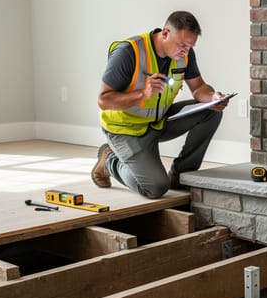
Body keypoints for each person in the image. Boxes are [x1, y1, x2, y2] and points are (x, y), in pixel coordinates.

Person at [91, 11, 227, 198]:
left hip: (158, 121)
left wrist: (212, 97)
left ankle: (180, 175)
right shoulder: (128, 52)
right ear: (165, 33)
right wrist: (143, 94)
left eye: (190, 46)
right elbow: (103, 100)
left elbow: (198, 87)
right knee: (155, 188)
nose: (186, 51)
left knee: (211, 111)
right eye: (182, 45)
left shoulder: (185, 54)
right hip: (126, 129)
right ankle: (109, 160)